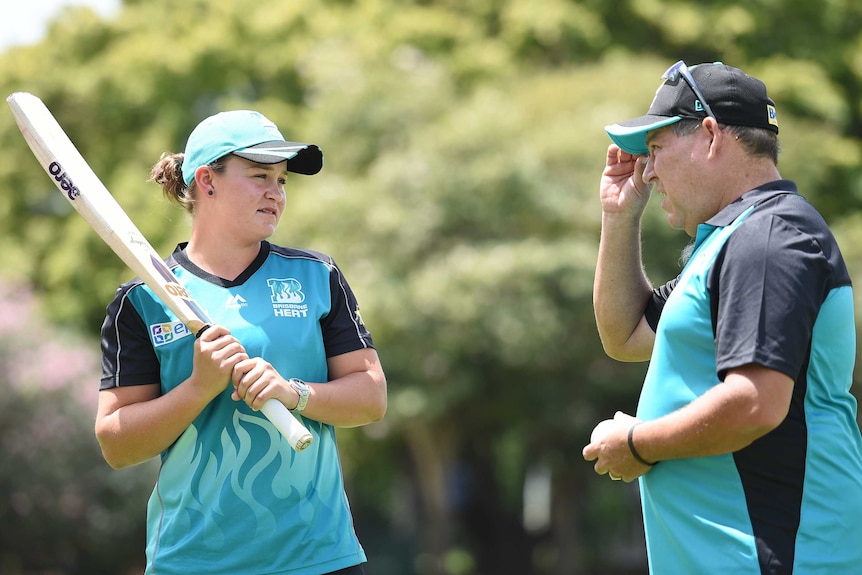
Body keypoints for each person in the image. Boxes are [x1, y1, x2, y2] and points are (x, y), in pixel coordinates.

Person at [582, 61, 862, 573]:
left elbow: (755, 403)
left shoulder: (769, 239)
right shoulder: (733, 241)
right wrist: (620, 215)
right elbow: (624, 333)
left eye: (657, 148)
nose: (647, 170)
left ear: (710, 136)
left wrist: (637, 445)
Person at [94, 109, 387, 575]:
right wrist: (198, 387)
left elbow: (371, 398)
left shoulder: (316, 277)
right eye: (259, 176)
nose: (276, 192)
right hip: (192, 561)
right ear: (207, 181)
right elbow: (116, 445)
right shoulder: (142, 300)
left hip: (317, 557)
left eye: (282, 180)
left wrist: (294, 393)